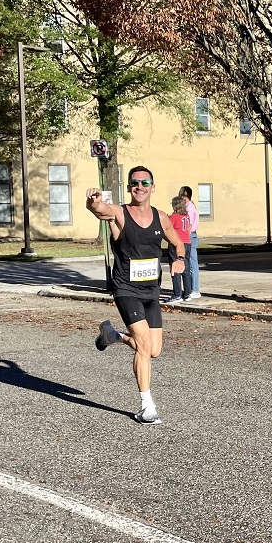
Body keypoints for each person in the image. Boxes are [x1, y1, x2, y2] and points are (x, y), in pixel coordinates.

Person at [86, 166, 186, 425]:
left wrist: (180, 260)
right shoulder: (119, 213)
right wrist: (93, 201)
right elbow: (100, 210)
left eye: (145, 183)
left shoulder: (161, 217)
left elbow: (178, 243)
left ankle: (113, 335)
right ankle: (147, 407)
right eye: (135, 183)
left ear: (153, 187)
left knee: (154, 350)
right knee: (143, 345)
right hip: (126, 290)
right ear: (129, 187)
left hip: (151, 291)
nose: (139, 187)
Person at [166, 195, 192, 303]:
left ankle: (177, 294)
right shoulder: (186, 216)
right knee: (186, 269)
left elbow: (168, 228)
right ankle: (187, 293)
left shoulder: (174, 217)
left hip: (176, 244)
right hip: (187, 242)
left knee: (175, 268)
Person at [179, 186, 201, 297]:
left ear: (185, 196)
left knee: (192, 264)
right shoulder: (187, 207)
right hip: (189, 236)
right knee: (189, 263)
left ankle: (195, 289)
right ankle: (191, 288)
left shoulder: (190, 208)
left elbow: (189, 225)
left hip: (190, 236)